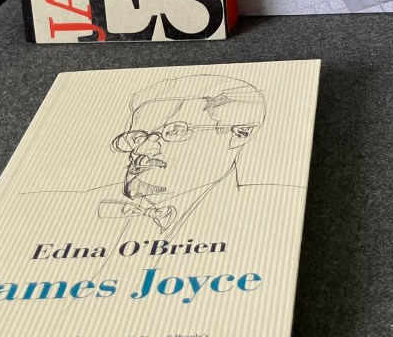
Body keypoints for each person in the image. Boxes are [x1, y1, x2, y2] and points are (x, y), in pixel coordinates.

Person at [97, 73, 267, 236]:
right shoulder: (95, 206)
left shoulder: (253, 217)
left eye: (174, 131)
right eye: (136, 138)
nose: (139, 150)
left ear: (241, 133)